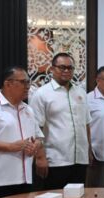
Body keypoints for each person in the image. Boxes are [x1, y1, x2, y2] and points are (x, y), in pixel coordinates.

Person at [30, 52, 92, 190]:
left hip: (80, 159)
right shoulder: (42, 94)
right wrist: (40, 157)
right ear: (52, 69)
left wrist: (88, 149)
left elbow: (86, 123)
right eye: (62, 67)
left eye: (70, 68)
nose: (66, 71)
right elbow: (35, 128)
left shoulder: (80, 92)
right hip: (55, 160)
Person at [0, 66, 44, 198]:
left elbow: (38, 137)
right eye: (23, 82)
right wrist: (10, 147)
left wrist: (36, 145)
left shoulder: (28, 109)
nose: (27, 87)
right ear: (8, 83)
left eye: (28, 82)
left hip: (25, 179)